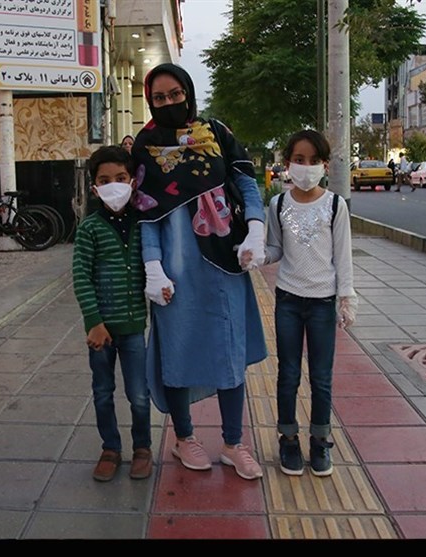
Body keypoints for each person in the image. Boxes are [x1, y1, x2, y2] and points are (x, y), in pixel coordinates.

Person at [131, 63, 267, 479]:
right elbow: (146, 213)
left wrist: (256, 228)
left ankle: (233, 443)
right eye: (159, 97)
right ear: (149, 100)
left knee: (230, 350)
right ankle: (184, 438)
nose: (169, 102)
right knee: (177, 351)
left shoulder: (216, 133)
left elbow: (246, 181)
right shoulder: (146, 145)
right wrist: (153, 266)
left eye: (176, 94)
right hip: (176, 269)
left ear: (188, 92)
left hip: (224, 260)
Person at [259, 129, 357, 477]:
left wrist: (346, 299)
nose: (306, 166)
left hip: (322, 303)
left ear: (325, 164)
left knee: (321, 377)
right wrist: (256, 255)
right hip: (287, 299)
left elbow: (343, 258)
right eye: (299, 159)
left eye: (314, 160)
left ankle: (319, 441)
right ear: (288, 163)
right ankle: (288, 439)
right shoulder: (278, 204)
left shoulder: (335, 206)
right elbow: (275, 249)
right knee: (287, 374)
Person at [72, 145, 153, 482]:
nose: (114, 186)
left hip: (133, 329)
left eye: (120, 178)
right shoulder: (90, 228)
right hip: (100, 332)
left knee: (139, 395)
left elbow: (153, 267)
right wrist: (94, 322)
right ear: (95, 188)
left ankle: (142, 448)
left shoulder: (144, 224)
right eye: (105, 181)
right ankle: (110, 448)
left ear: (132, 181)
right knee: (103, 393)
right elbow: (81, 276)